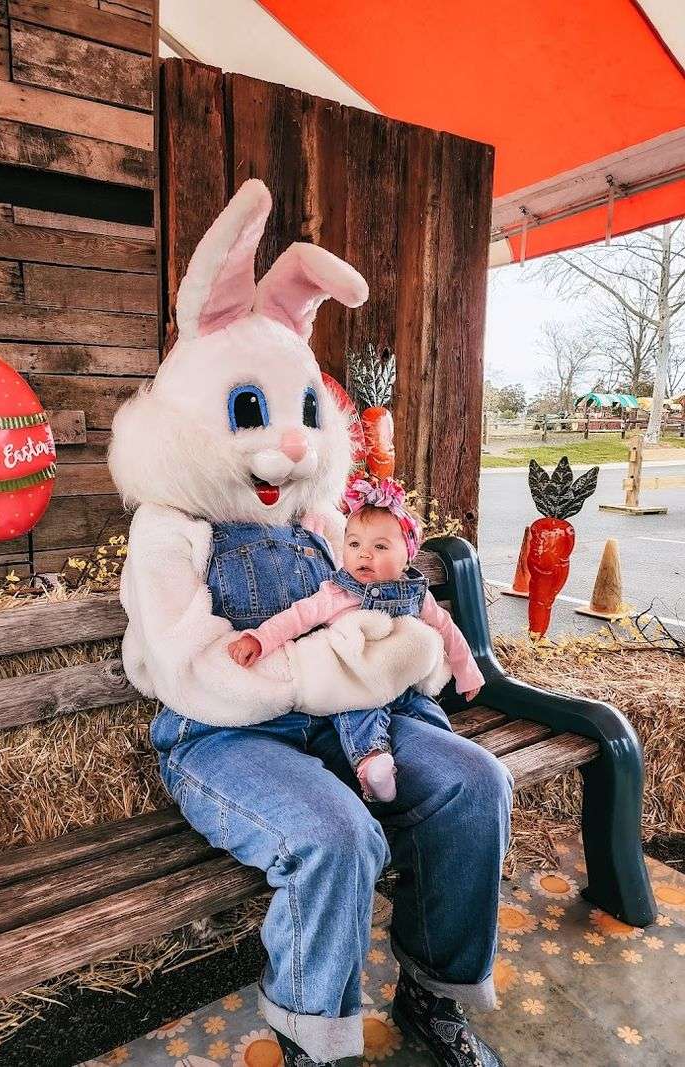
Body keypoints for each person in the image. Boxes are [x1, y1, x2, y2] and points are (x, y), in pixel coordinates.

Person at [111, 179, 513, 1067]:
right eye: (253, 411)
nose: (289, 442)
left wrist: (414, 642)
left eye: (299, 414)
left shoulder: (317, 518)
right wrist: (324, 673)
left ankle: (433, 995)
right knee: (337, 835)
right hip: (225, 736)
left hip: (353, 722)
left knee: (475, 783)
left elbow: (385, 595)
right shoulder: (171, 527)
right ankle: (313, 1041)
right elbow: (192, 668)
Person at [228, 477, 485, 803]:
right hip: (358, 686)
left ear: (407, 554)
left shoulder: (416, 593)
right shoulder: (338, 592)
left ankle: (444, 757)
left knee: (430, 714)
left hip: (403, 686)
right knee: (357, 718)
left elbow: (446, 629)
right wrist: (260, 640)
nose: (364, 555)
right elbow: (296, 617)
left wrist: (467, 671)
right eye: (354, 545)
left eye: (379, 547)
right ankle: (372, 765)